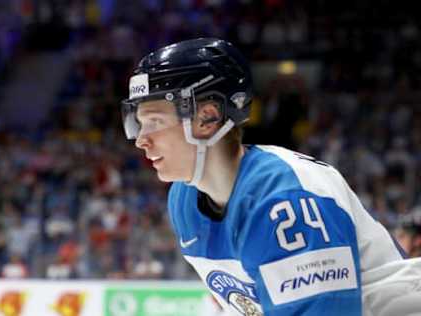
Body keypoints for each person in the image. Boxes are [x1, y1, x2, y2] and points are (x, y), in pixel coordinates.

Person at [121, 38, 421, 316]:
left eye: (155, 122)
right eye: (139, 124)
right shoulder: (184, 198)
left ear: (207, 118)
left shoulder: (287, 197)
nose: (141, 140)